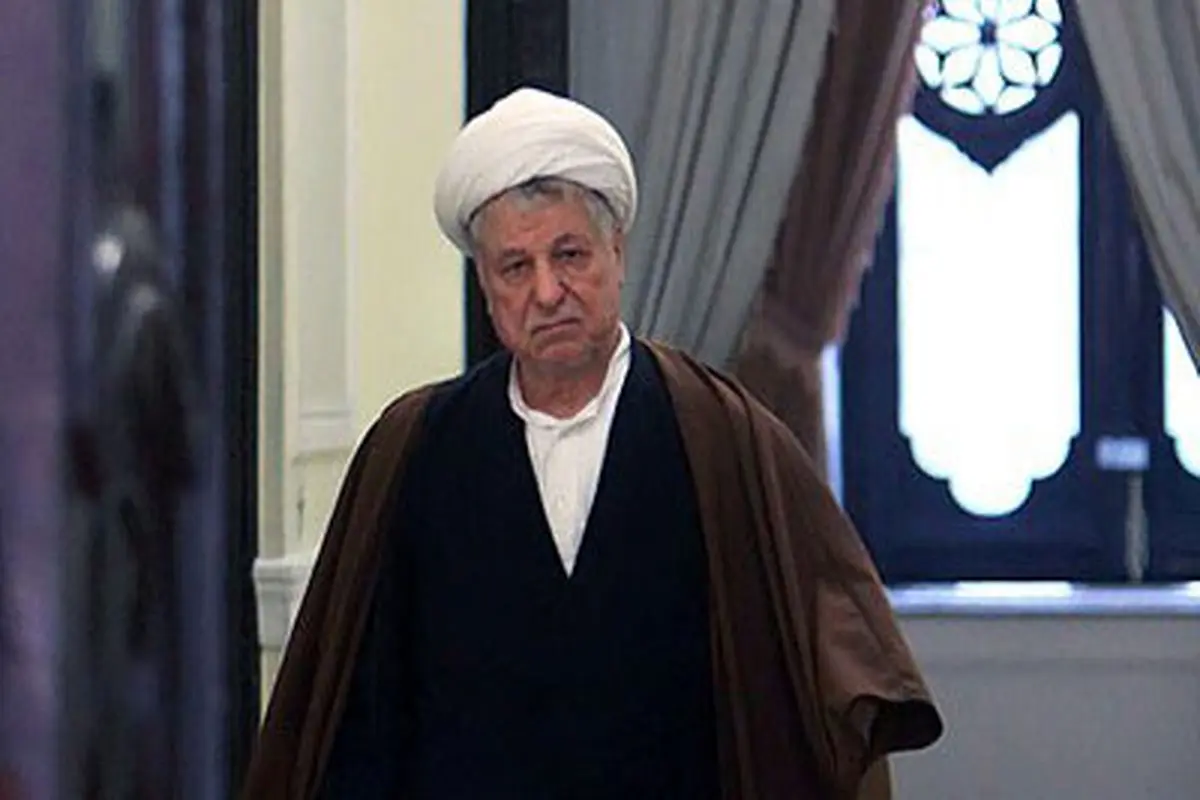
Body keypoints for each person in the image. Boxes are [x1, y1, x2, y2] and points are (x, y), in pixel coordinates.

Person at [242, 87, 943, 800]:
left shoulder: (722, 436)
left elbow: (835, 672)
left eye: (570, 255)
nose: (548, 292)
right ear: (485, 285)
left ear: (618, 252)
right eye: (516, 267)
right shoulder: (413, 449)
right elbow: (354, 717)